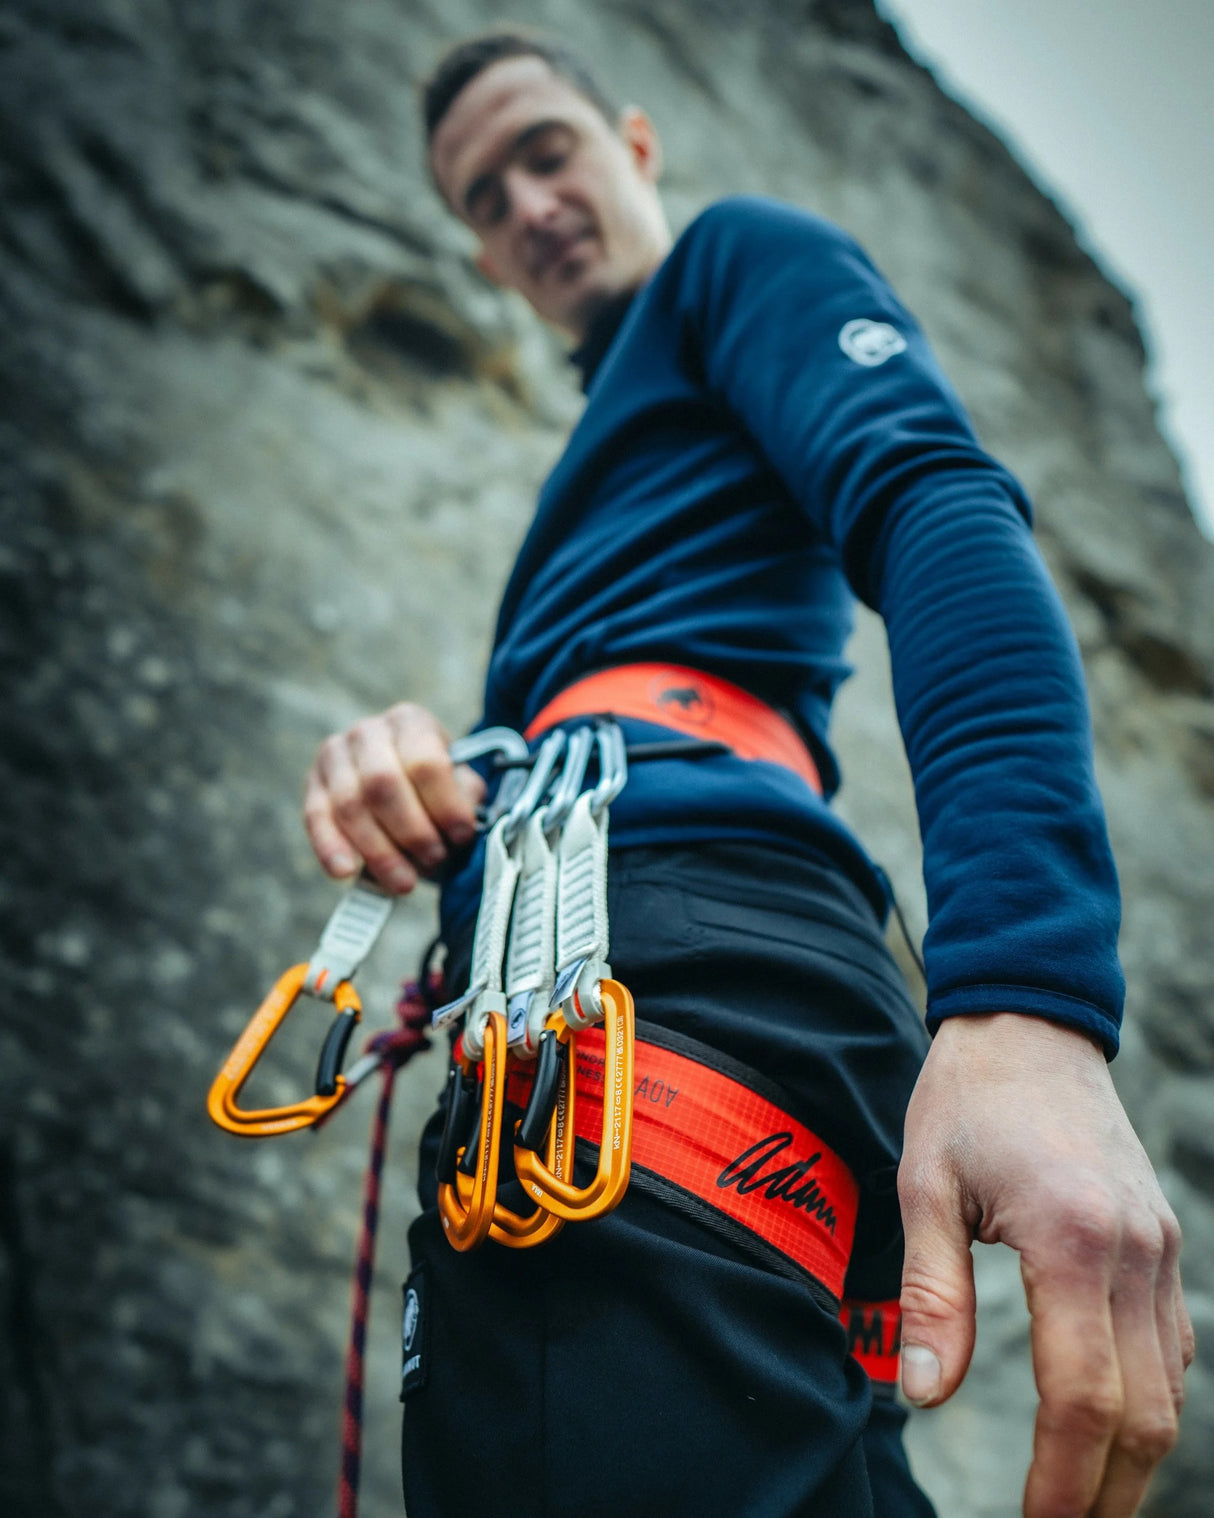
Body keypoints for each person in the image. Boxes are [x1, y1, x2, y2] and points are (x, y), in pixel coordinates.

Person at [302, 30, 1192, 1518]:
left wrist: (1026, 1000)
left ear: (636, 144)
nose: (528, 207)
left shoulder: (736, 261)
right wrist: (438, 774)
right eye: (483, 201)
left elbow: (935, 505)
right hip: (643, 948)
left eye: (545, 152)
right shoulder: (632, 449)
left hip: (666, 954)